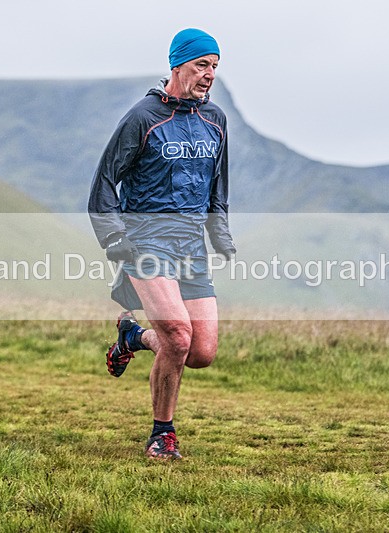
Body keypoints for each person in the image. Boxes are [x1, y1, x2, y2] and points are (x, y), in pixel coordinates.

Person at [88, 28, 236, 460]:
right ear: (177, 65)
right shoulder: (143, 117)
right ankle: (162, 434)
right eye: (201, 65)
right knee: (177, 335)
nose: (209, 75)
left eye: (214, 67)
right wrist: (114, 237)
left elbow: (217, 187)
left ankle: (132, 338)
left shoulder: (216, 121)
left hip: (192, 246)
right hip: (145, 241)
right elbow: (104, 182)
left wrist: (220, 234)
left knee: (201, 351)